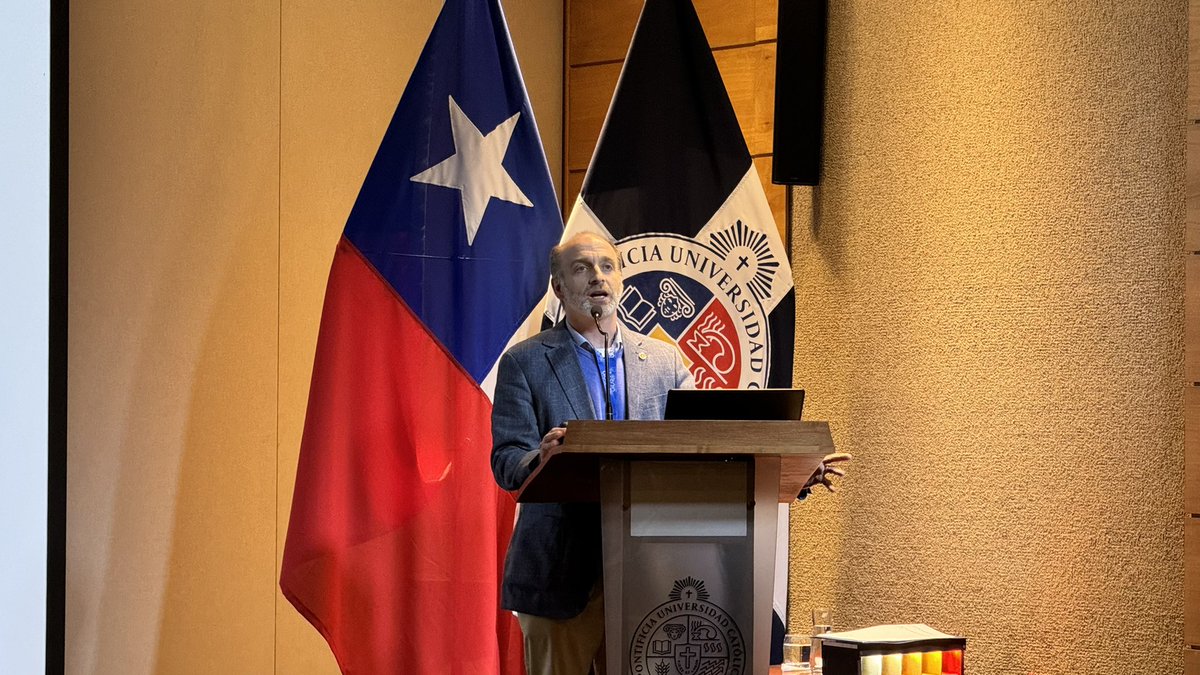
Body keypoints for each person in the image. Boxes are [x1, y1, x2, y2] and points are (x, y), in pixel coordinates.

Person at [491, 231, 849, 675]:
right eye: (581, 268)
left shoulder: (665, 361)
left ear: (620, 280)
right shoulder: (525, 363)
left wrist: (793, 469)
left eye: (607, 266)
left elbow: (703, 453)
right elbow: (507, 458)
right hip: (559, 571)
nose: (597, 277)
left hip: (652, 567)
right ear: (560, 288)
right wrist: (539, 457)